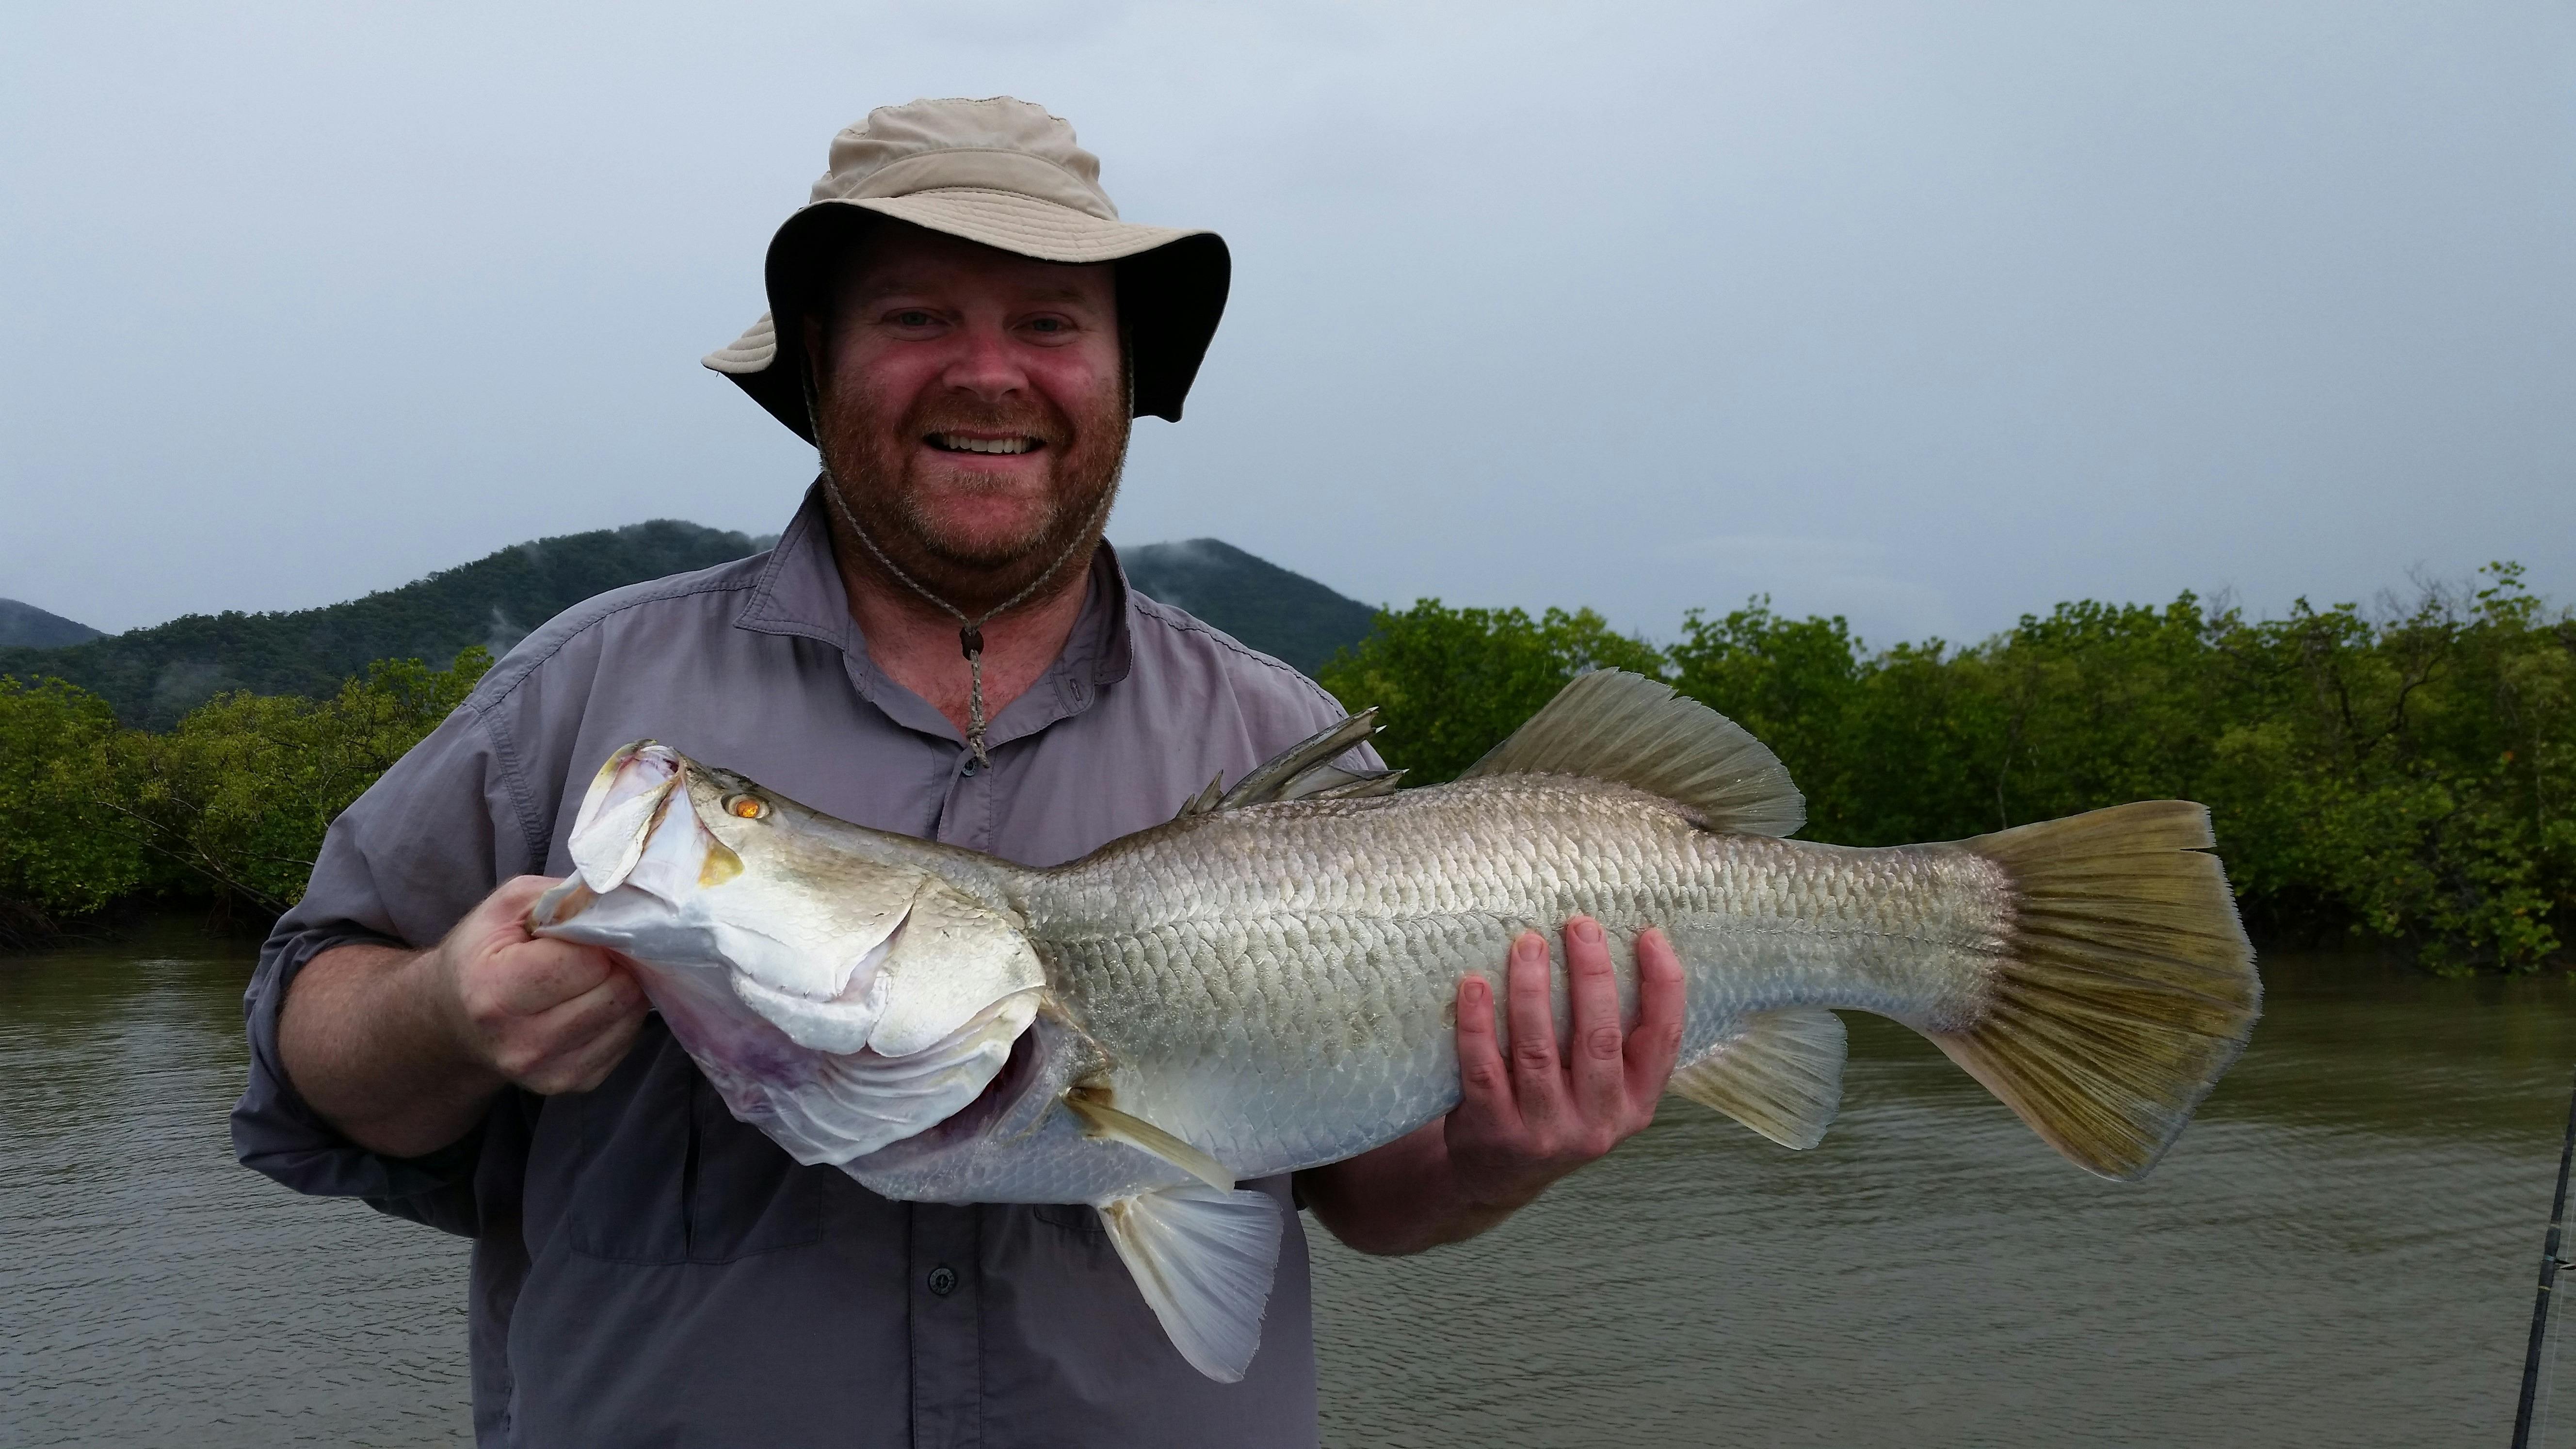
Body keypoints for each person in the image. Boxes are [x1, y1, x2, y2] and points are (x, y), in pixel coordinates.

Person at [233, 96, 1685, 1448]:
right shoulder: (582, 693)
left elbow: (1368, 1188)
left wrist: (1507, 1154)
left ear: (1123, 374)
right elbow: (308, 1041)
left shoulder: (1277, 738)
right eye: (917, 315)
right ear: (819, 360)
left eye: (1050, 321)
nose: (989, 372)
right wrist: (441, 1009)